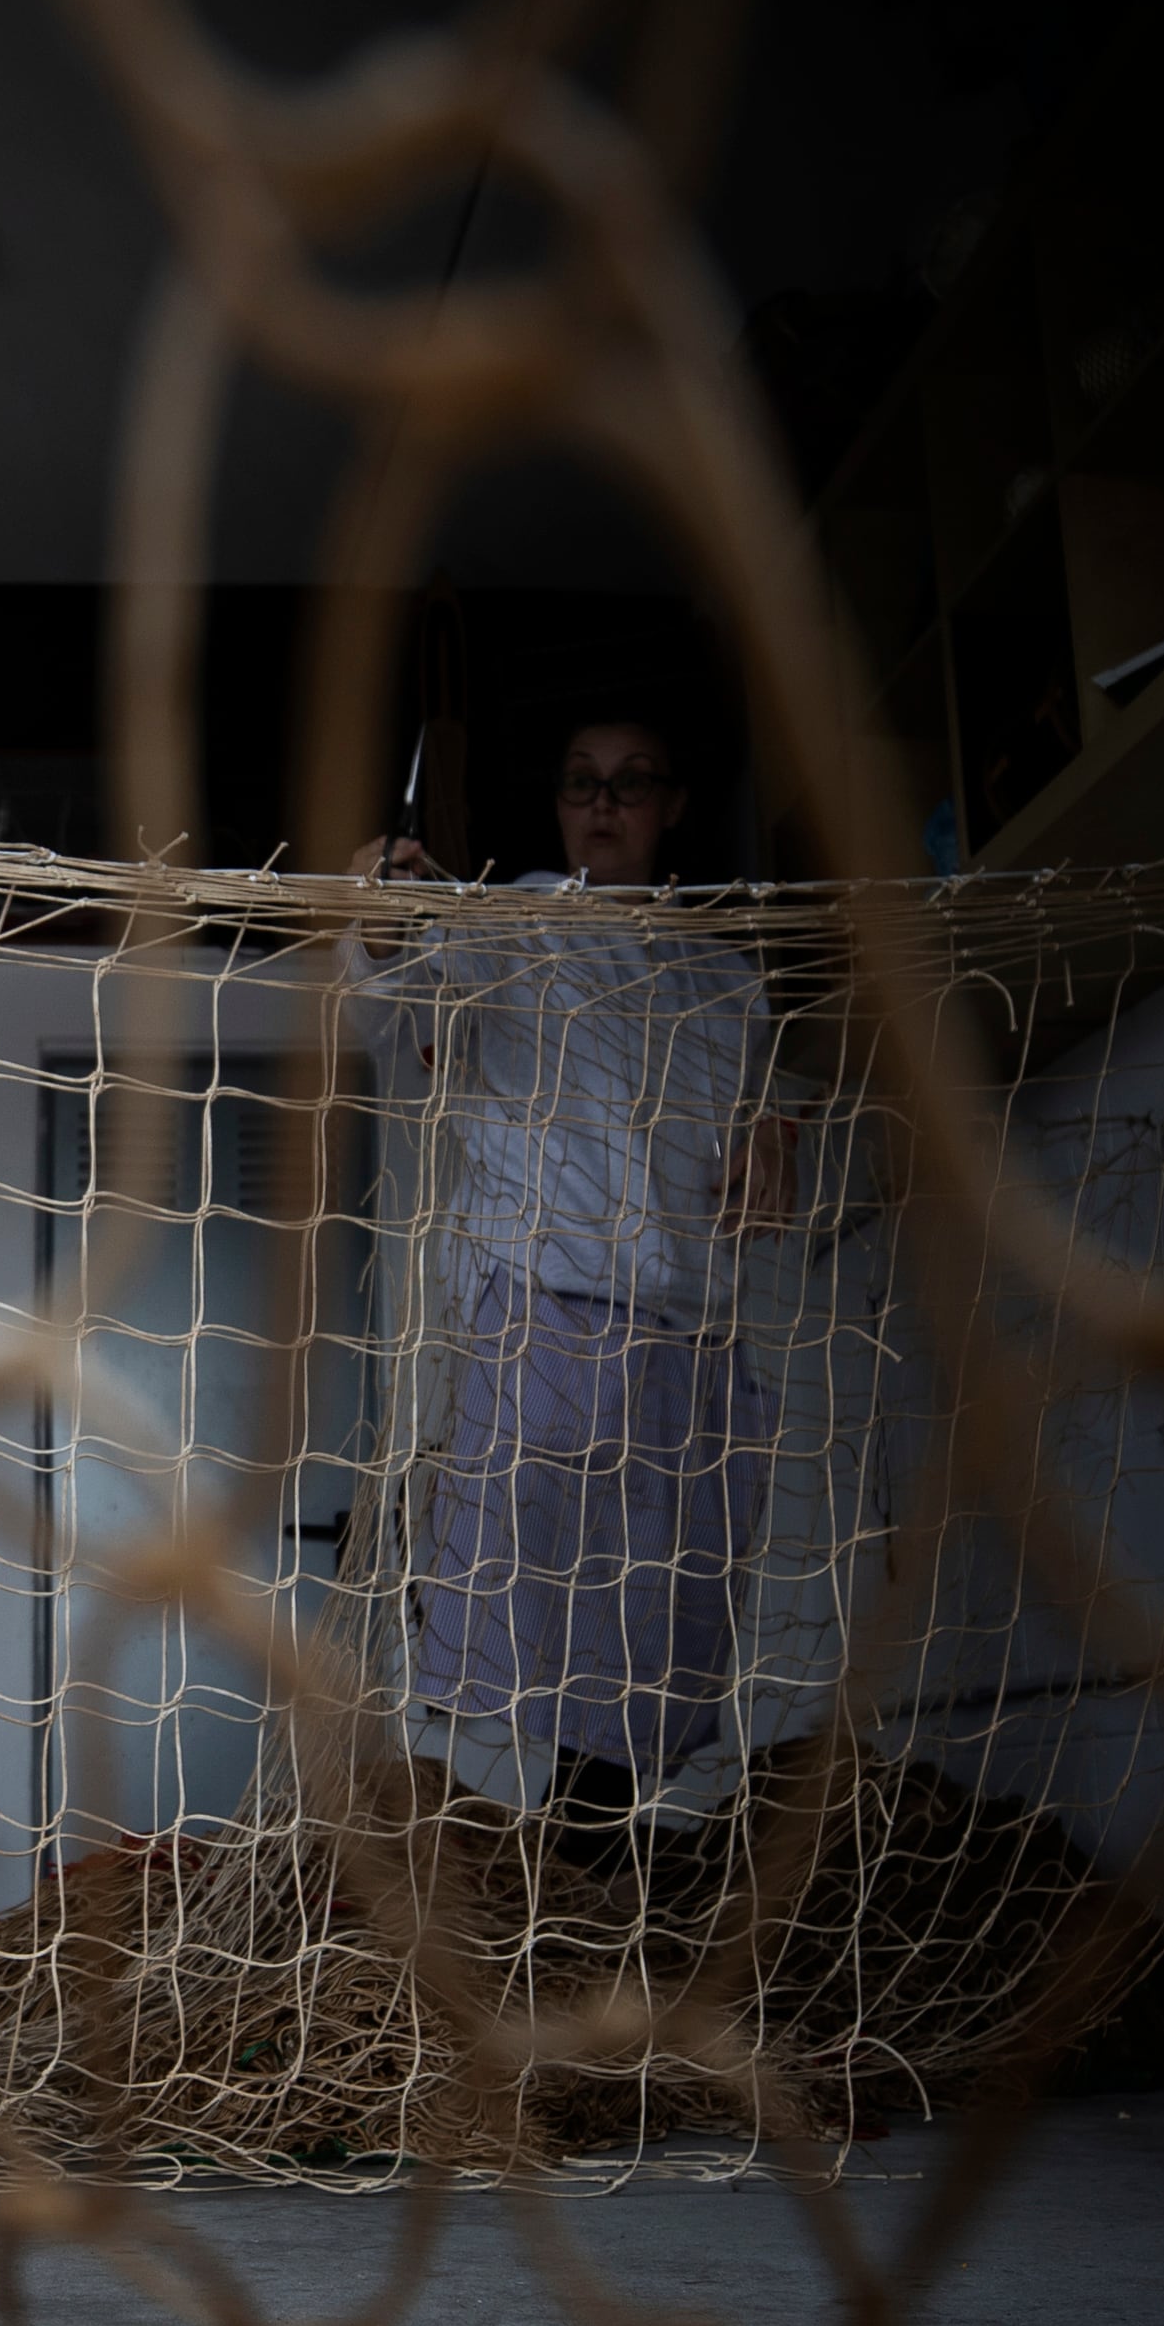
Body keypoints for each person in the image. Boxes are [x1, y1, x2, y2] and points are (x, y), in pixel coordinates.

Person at [348, 716, 795, 1849]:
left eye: (631, 783)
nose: (603, 803)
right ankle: (508, 1871)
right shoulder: (508, 928)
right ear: (554, 802)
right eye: (581, 782)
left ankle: (583, 1864)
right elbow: (385, 1006)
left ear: (673, 804)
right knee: (515, 1631)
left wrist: (772, 1125)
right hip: (544, 1314)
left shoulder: (725, 980)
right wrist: (378, 921)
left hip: (689, 1338)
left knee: (653, 1650)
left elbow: (754, 1111)